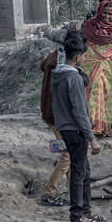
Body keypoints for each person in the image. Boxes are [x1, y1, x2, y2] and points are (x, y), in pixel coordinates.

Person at [52, 35, 104, 222]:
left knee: (83, 170)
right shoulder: (72, 77)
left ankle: (86, 212)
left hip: (65, 127)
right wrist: (92, 138)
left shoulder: (58, 73)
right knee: (79, 172)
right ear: (79, 56)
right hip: (75, 129)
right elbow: (80, 111)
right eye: (83, 56)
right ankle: (76, 216)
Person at [39, 28, 83, 206]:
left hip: (49, 111)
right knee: (67, 155)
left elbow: (42, 67)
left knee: (69, 153)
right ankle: (49, 193)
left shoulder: (54, 56)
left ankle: (75, 190)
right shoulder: (64, 66)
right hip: (57, 115)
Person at [81, 0, 112, 136]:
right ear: (99, 12)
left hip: (107, 66)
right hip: (89, 63)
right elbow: (83, 44)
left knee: (105, 93)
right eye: (104, 13)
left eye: (110, 14)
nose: (106, 16)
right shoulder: (90, 26)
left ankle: (104, 127)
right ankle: (90, 126)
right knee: (91, 92)